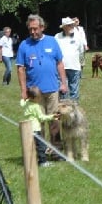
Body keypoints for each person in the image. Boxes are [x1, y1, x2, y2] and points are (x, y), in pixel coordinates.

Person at [16, 15, 67, 147]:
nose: (33, 32)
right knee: (38, 123)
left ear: (42, 27)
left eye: (35, 29)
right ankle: (41, 152)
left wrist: (63, 83)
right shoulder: (24, 45)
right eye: (30, 29)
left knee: (55, 120)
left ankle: (56, 150)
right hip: (34, 93)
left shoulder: (52, 41)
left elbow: (60, 63)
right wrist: (23, 91)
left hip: (52, 89)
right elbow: (20, 69)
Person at [20, 86, 57, 167]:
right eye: (39, 98)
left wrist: (23, 98)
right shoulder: (35, 106)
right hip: (35, 129)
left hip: (27, 129)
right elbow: (41, 118)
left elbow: (21, 102)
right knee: (41, 146)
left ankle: (29, 160)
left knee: (30, 145)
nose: (40, 100)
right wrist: (52, 116)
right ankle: (42, 161)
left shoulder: (26, 103)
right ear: (35, 98)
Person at [54, 17, 85, 102]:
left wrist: (82, 64)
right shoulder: (57, 37)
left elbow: (81, 51)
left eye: (72, 25)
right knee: (63, 91)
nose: (72, 26)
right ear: (64, 27)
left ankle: (75, 111)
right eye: (69, 25)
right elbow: (54, 51)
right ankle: (64, 111)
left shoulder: (78, 36)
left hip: (75, 67)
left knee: (74, 91)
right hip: (61, 67)